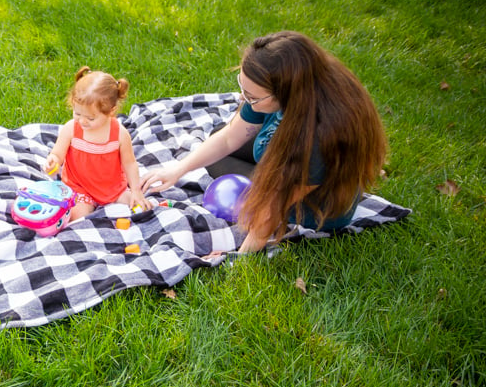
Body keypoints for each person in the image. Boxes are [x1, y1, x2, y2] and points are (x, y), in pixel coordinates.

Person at [139, 31, 387, 255]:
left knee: (223, 165)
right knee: (217, 140)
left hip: (314, 204)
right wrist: (178, 169)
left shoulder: (318, 136)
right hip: (288, 163)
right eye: (242, 88)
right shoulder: (290, 84)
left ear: (287, 93)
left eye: (253, 97)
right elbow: (228, 137)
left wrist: (239, 259)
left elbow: (271, 209)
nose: (243, 99)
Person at [45, 66, 152, 222]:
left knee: (140, 209)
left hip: (113, 187)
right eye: (77, 113)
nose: (82, 121)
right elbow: (57, 154)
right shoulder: (71, 129)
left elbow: (130, 164)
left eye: (91, 118)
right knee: (77, 217)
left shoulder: (120, 134)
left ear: (111, 111)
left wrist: (136, 191)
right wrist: (52, 161)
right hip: (79, 187)